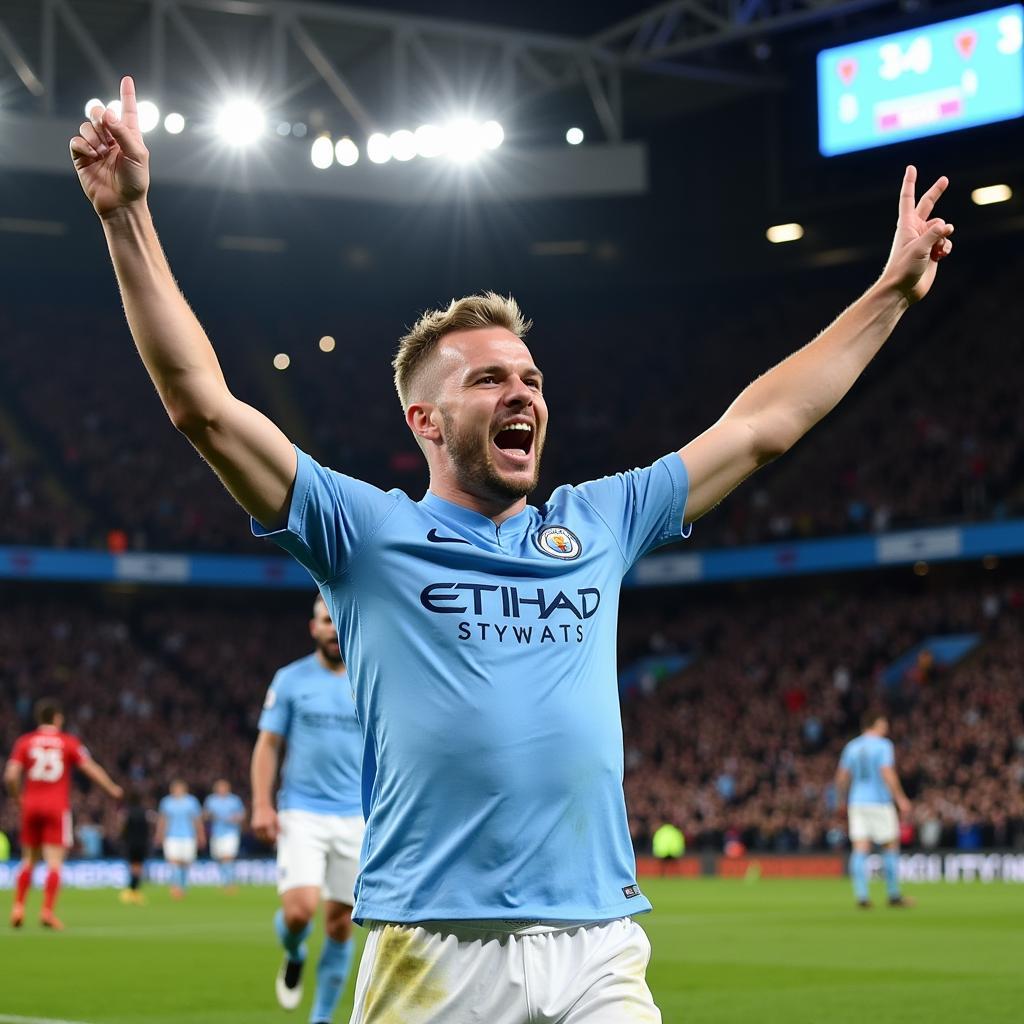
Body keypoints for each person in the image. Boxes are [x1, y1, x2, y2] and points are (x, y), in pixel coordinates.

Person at [72, 76, 953, 1022]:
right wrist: (129, 219)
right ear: (425, 419)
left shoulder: (600, 521)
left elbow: (761, 425)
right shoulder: (366, 533)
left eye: (530, 377)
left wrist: (892, 292)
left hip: (600, 943)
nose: (522, 393)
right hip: (438, 947)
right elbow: (202, 405)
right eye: (489, 380)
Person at [251, 596, 363, 1023]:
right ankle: (294, 950)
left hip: (357, 816)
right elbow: (268, 744)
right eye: (324, 621)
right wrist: (262, 804)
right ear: (313, 628)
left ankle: (321, 1018)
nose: (333, 629)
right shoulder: (291, 679)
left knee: (339, 924)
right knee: (299, 912)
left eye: (338, 620)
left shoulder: (370, 677)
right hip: (302, 811)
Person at [4, 697, 123, 930]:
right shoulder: (68, 742)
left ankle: (18, 907)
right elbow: (91, 768)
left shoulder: (25, 742)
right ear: (58, 718)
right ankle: (47, 912)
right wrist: (111, 788)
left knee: (28, 859)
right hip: (56, 807)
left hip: (31, 805)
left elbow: (10, 775)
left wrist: (17, 797)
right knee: (54, 863)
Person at [836, 713, 913, 909]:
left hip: (857, 802)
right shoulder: (883, 745)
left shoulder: (851, 746)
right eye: (883, 723)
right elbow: (886, 771)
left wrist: (841, 800)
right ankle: (893, 895)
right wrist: (901, 798)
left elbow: (842, 776)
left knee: (860, 849)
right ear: (874, 725)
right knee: (889, 847)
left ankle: (862, 896)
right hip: (879, 802)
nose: (886, 727)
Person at [156, 780, 205, 900]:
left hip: (188, 836)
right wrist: (159, 834)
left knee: (185, 863)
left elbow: (197, 820)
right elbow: (163, 820)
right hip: (171, 836)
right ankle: (176, 887)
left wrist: (201, 835)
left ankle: (183, 886)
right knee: (174, 862)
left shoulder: (191, 802)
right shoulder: (167, 802)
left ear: (184, 789)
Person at [204, 778, 246, 892]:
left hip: (230, 832)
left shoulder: (234, 800)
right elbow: (205, 816)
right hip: (216, 833)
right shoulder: (211, 800)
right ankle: (224, 880)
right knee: (219, 858)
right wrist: (209, 816)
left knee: (228, 857)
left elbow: (242, 815)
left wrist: (235, 818)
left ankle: (229, 882)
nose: (222, 789)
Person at [119, 787, 152, 905]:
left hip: (131, 844)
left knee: (133, 867)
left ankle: (132, 891)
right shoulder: (145, 813)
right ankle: (135, 891)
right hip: (142, 844)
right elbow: (148, 829)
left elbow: (123, 829)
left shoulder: (127, 813)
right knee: (138, 868)